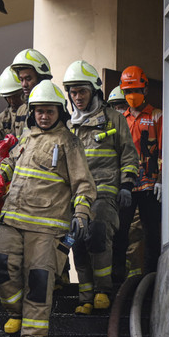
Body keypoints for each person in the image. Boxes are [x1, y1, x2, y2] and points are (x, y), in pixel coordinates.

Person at [0, 79, 96, 337]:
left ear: (60, 112)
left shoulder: (69, 143)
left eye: (50, 111)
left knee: (39, 278)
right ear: (32, 111)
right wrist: (1, 175)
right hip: (12, 219)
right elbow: (12, 162)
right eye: (39, 111)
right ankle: (17, 312)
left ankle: (34, 334)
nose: (44, 116)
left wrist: (81, 214)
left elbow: (84, 184)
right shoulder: (26, 136)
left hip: (48, 227)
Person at [63, 60, 139, 314]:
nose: (77, 97)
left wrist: (127, 185)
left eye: (82, 91)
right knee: (76, 240)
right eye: (73, 92)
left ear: (94, 90)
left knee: (97, 234)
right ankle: (85, 295)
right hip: (75, 196)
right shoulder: (67, 125)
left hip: (105, 190)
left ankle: (102, 290)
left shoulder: (114, 119)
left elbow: (129, 154)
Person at [113, 66, 163, 277]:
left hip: (150, 185)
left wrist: (162, 178)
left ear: (145, 89)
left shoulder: (157, 116)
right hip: (126, 184)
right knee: (119, 232)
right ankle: (116, 279)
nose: (132, 96)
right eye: (128, 91)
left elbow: (164, 149)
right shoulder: (119, 119)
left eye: (136, 90)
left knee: (152, 233)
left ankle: (152, 277)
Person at [9, 48, 53, 138]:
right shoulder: (21, 111)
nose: (24, 84)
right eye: (21, 80)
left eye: (28, 79)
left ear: (41, 78)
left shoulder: (55, 107)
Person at [0, 65, 23, 143]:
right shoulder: (1, 120)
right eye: (8, 97)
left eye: (16, 96)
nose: (12, 101)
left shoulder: (33, 113)